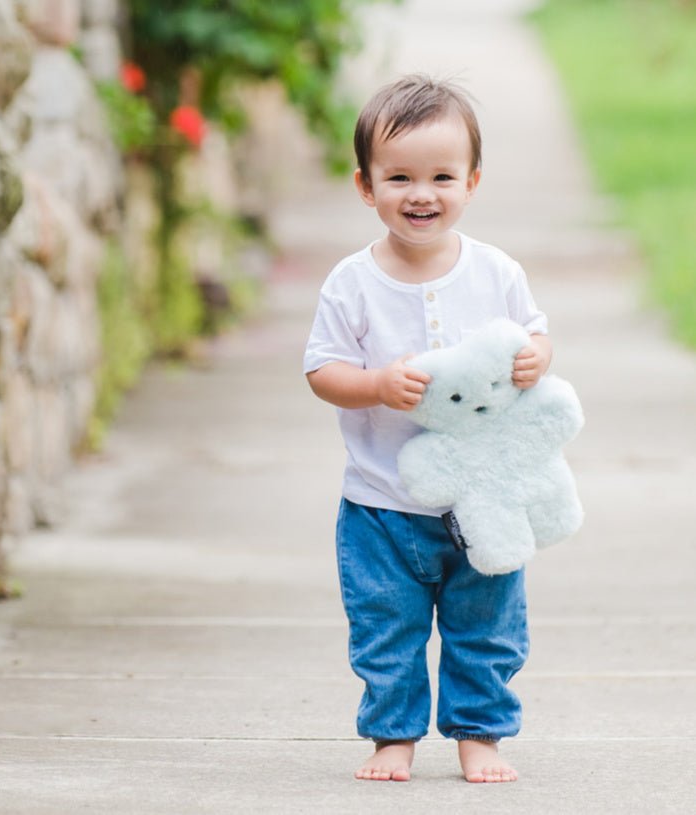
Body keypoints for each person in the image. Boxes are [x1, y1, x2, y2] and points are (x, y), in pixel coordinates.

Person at [303, 74, 552, 784]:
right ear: (365, 185)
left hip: (484, 499)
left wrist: (535, 358)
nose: (422, 193)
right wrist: (376, 384)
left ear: (472, 181)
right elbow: (322, 371)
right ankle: (393, 736)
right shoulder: (352, 283)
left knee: (488, 627)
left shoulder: (497, 272)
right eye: (400, 177)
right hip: (381, 504)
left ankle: (481, 733)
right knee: (387, 629)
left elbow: (533, 339)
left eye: (442, 176)